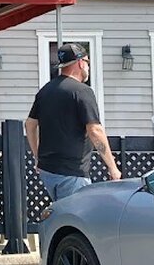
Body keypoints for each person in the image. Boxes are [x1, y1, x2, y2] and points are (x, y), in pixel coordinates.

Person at [25, 43, 121, 200]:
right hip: (72, 172)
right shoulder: (82, 91)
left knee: (60, 211)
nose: (88, 67)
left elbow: (29, 125)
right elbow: (95, 131)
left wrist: (37, 157)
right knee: (76, 213)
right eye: (87, 62)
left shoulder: (45, 91)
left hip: (48, 170)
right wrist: (112, 167)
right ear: (80, 62)